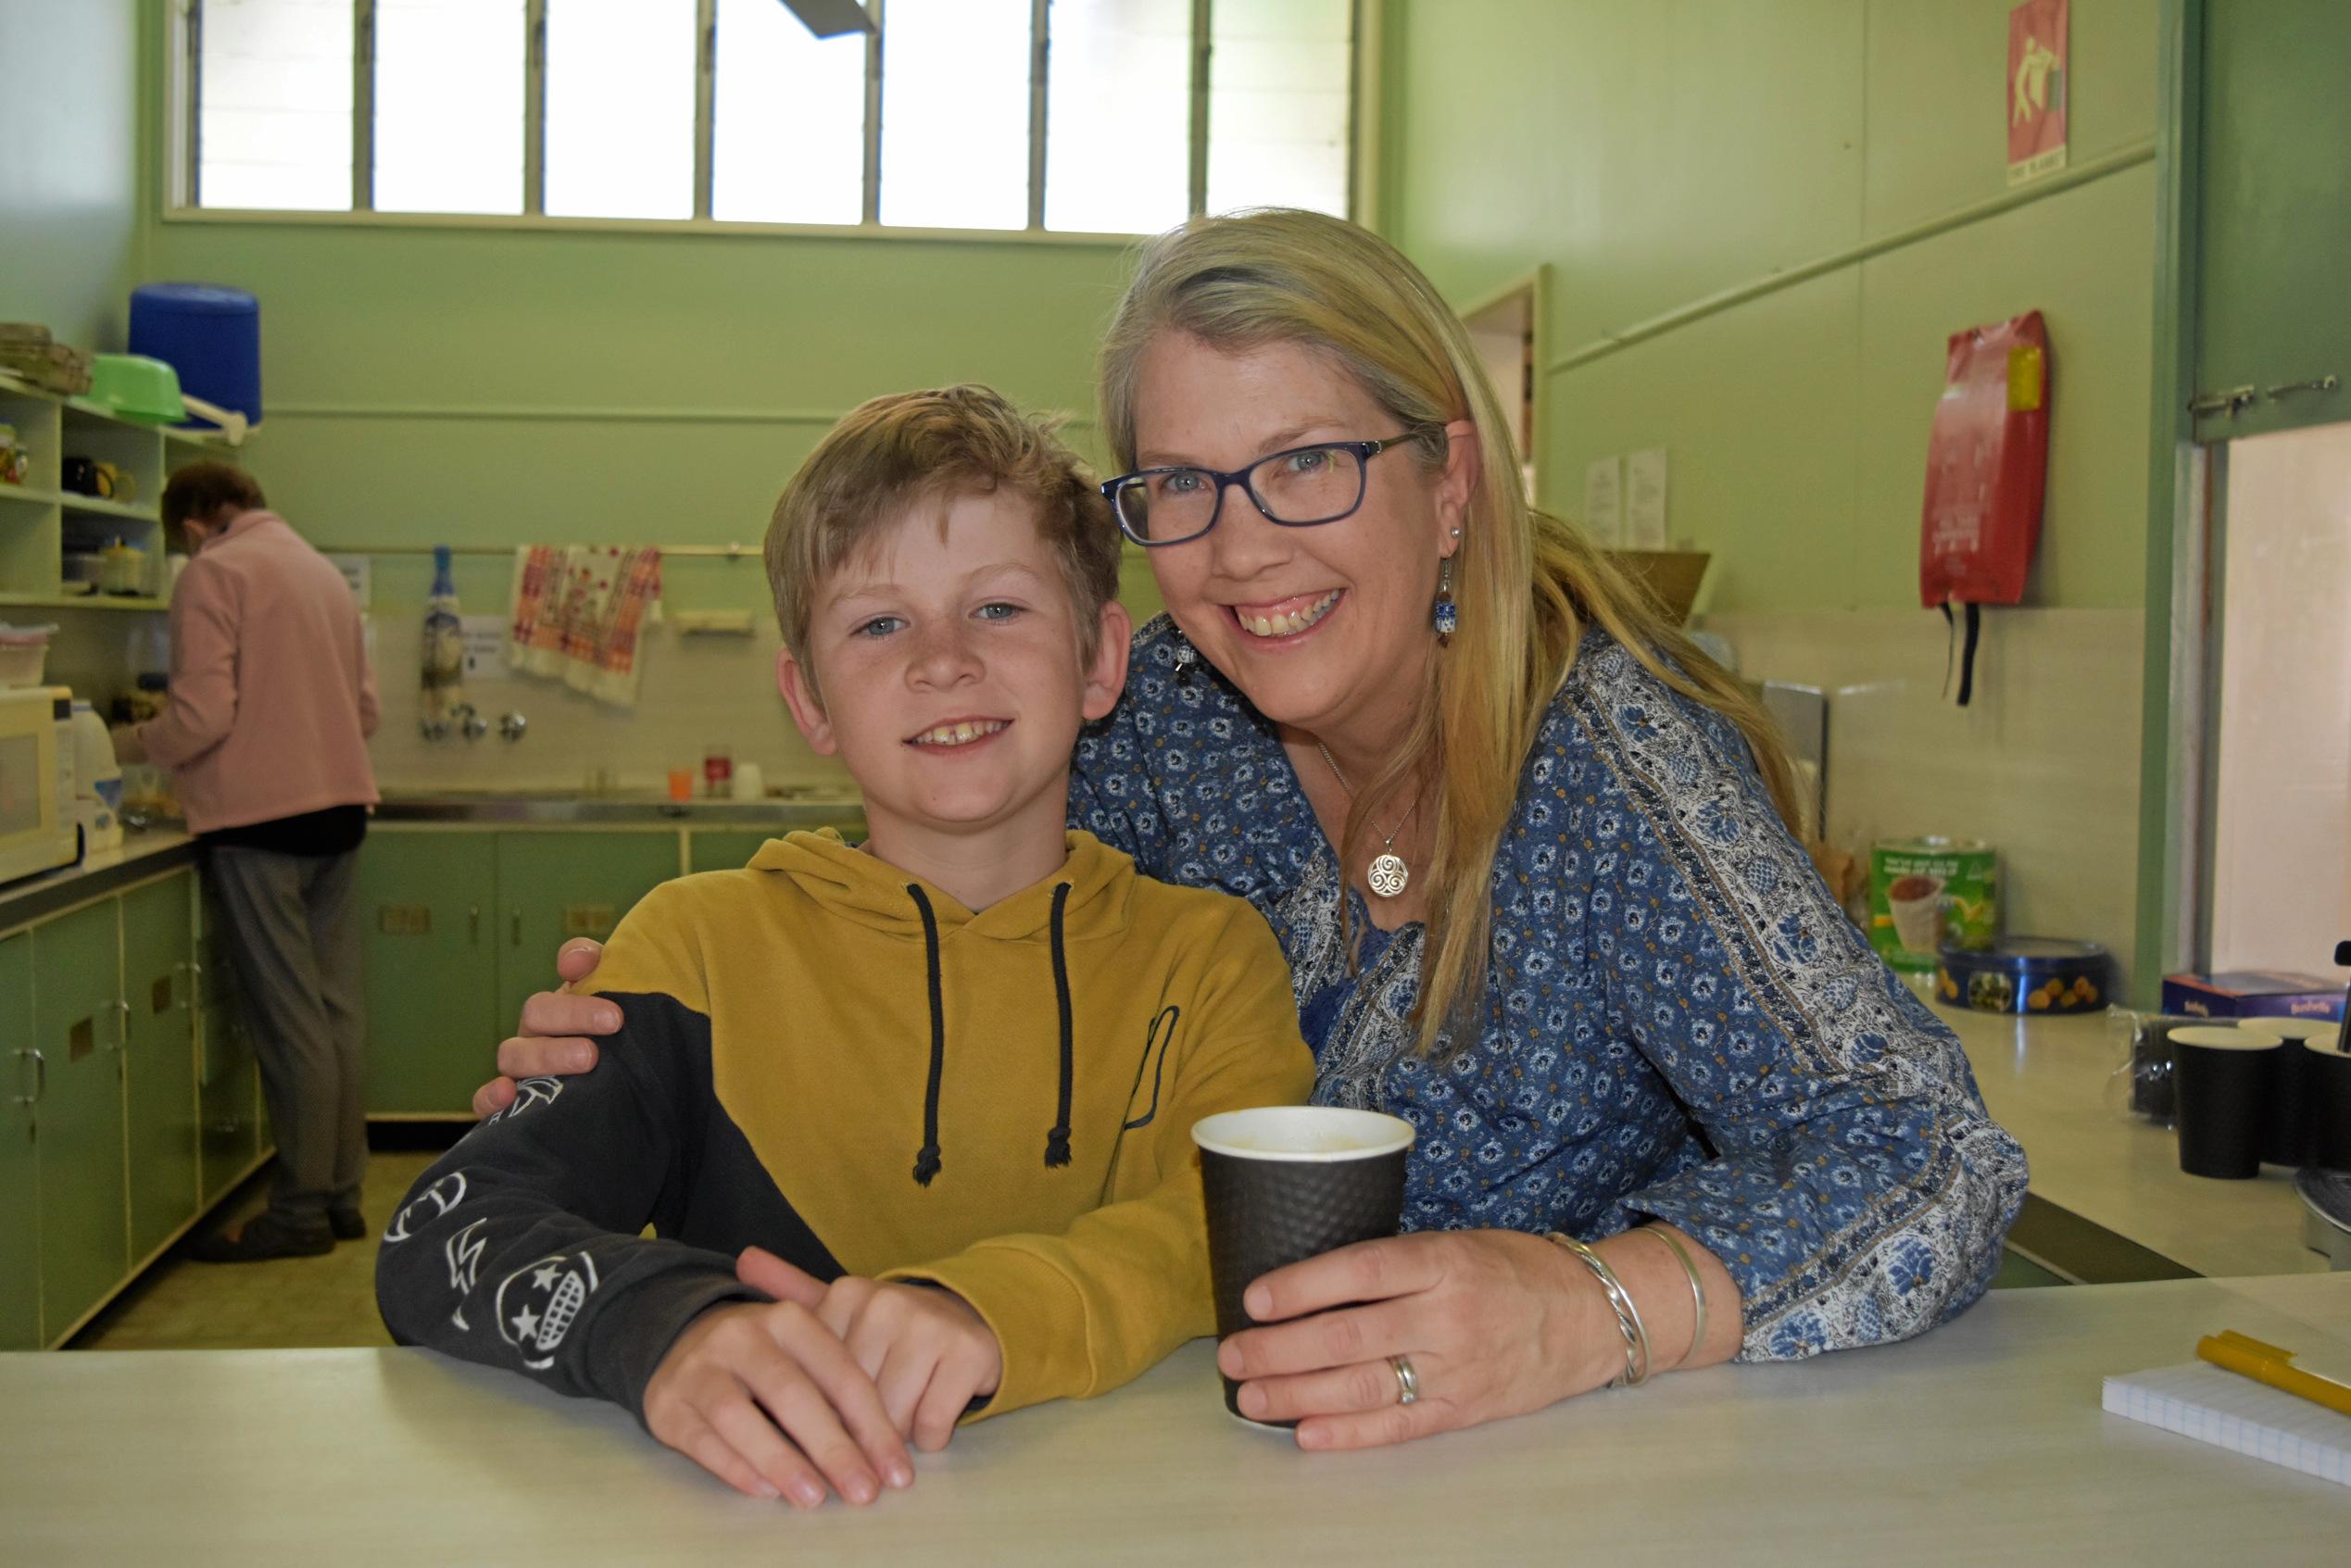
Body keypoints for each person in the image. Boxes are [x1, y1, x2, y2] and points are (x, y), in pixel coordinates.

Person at [486, 210, 2029, 1450]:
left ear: (1447, 483)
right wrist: (652, 1041)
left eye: (1305, 462)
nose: (1236, 548)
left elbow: (1927, 1154)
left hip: (1528, 1476)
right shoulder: (1151, 712)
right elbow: (935, 918)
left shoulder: (1609, 774)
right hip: (1137, 1452)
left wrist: (1590, 1305)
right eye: (1180, 483)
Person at [377, 387, 1314, 1507]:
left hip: (1133, 1517)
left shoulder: (1211, 960)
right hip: (785, 1512)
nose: (943, 661)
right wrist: (666, 1324)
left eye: (1000, 609)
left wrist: (988, 1310)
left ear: (1101, 659)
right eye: (878, 624)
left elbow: (1232, 1225)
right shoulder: (698, 947)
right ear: (809, 701)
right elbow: (443, 1233)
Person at [119, 463, 381, 1262]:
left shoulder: (214, 572)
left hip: (260, 821)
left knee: (289, 1020)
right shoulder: (321, 572)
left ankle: (297, 1211)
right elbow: (366, 709)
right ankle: (341, 1194)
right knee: (334, 1010)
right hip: (338, 808)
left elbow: (202, 714)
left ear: (194, 522)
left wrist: (123, 745)